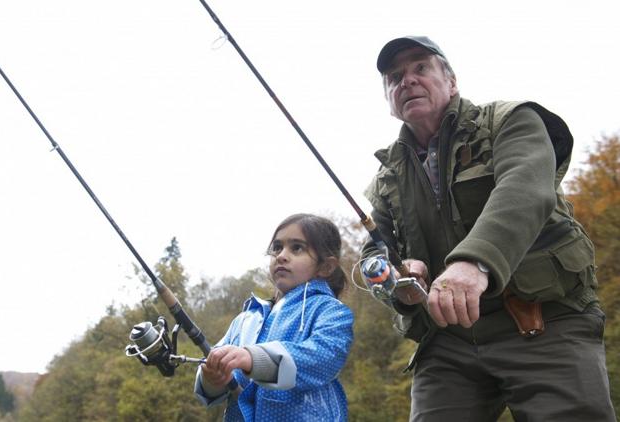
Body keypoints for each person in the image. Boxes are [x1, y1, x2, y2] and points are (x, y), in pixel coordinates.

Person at [363, 36, 616, 421]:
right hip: (448, 341)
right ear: (389, 100)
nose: (407, 81)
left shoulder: (511, 121)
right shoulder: (386, 179)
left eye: (420, 68)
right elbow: (374, 256)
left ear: (451, 82)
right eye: (395, 77)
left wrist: (474, 263)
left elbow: (526, 188)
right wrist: (396, 283)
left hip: (544, 319)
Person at [194, 213, 354, 421]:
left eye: (297, 248)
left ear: (326, 267)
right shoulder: (245, 319)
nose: (281, 255)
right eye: (277, 248)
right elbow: (220, 378)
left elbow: (322, 358)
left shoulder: (331, 311)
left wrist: (253, 358)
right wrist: (212, 379)